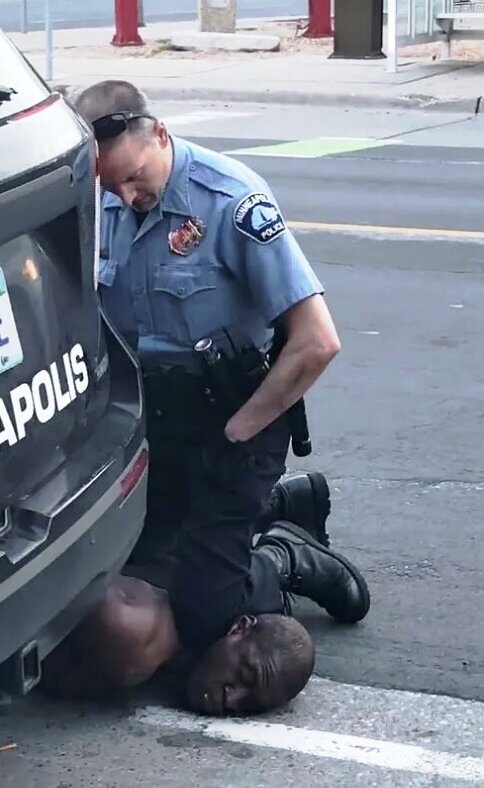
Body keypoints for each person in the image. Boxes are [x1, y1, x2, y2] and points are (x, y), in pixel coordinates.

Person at [72, 81, 370, 653]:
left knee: (206, 611)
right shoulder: (102, 201)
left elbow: (317, 341)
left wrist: (240, 429)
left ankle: (287, 555)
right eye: (111, 184)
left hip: (236, 419)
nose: (127, 196)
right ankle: (279, 503)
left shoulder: (231, 201)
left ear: (160, 135)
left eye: (135, 177)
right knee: (129, 575)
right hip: (156, 425)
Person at [42, 568, 316, 716]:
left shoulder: (221, 650)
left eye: (249, 706)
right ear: (239, 629)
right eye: (243, 675)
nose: (231, 700)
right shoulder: (134, 635)